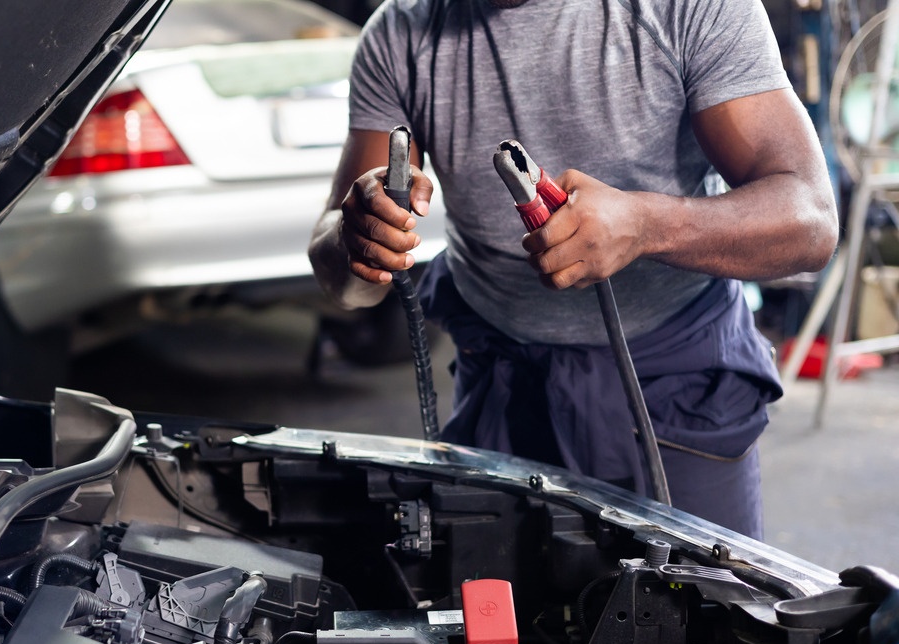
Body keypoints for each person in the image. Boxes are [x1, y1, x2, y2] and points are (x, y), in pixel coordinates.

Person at [308, 0, 838, 540]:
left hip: (674, 385)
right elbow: (344, 281)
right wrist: (359, 241)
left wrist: (647, 225)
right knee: (499, 615)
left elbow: (810, 222)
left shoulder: (690, 8)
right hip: (501, 381)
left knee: (703, 613)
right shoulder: (403, 33)